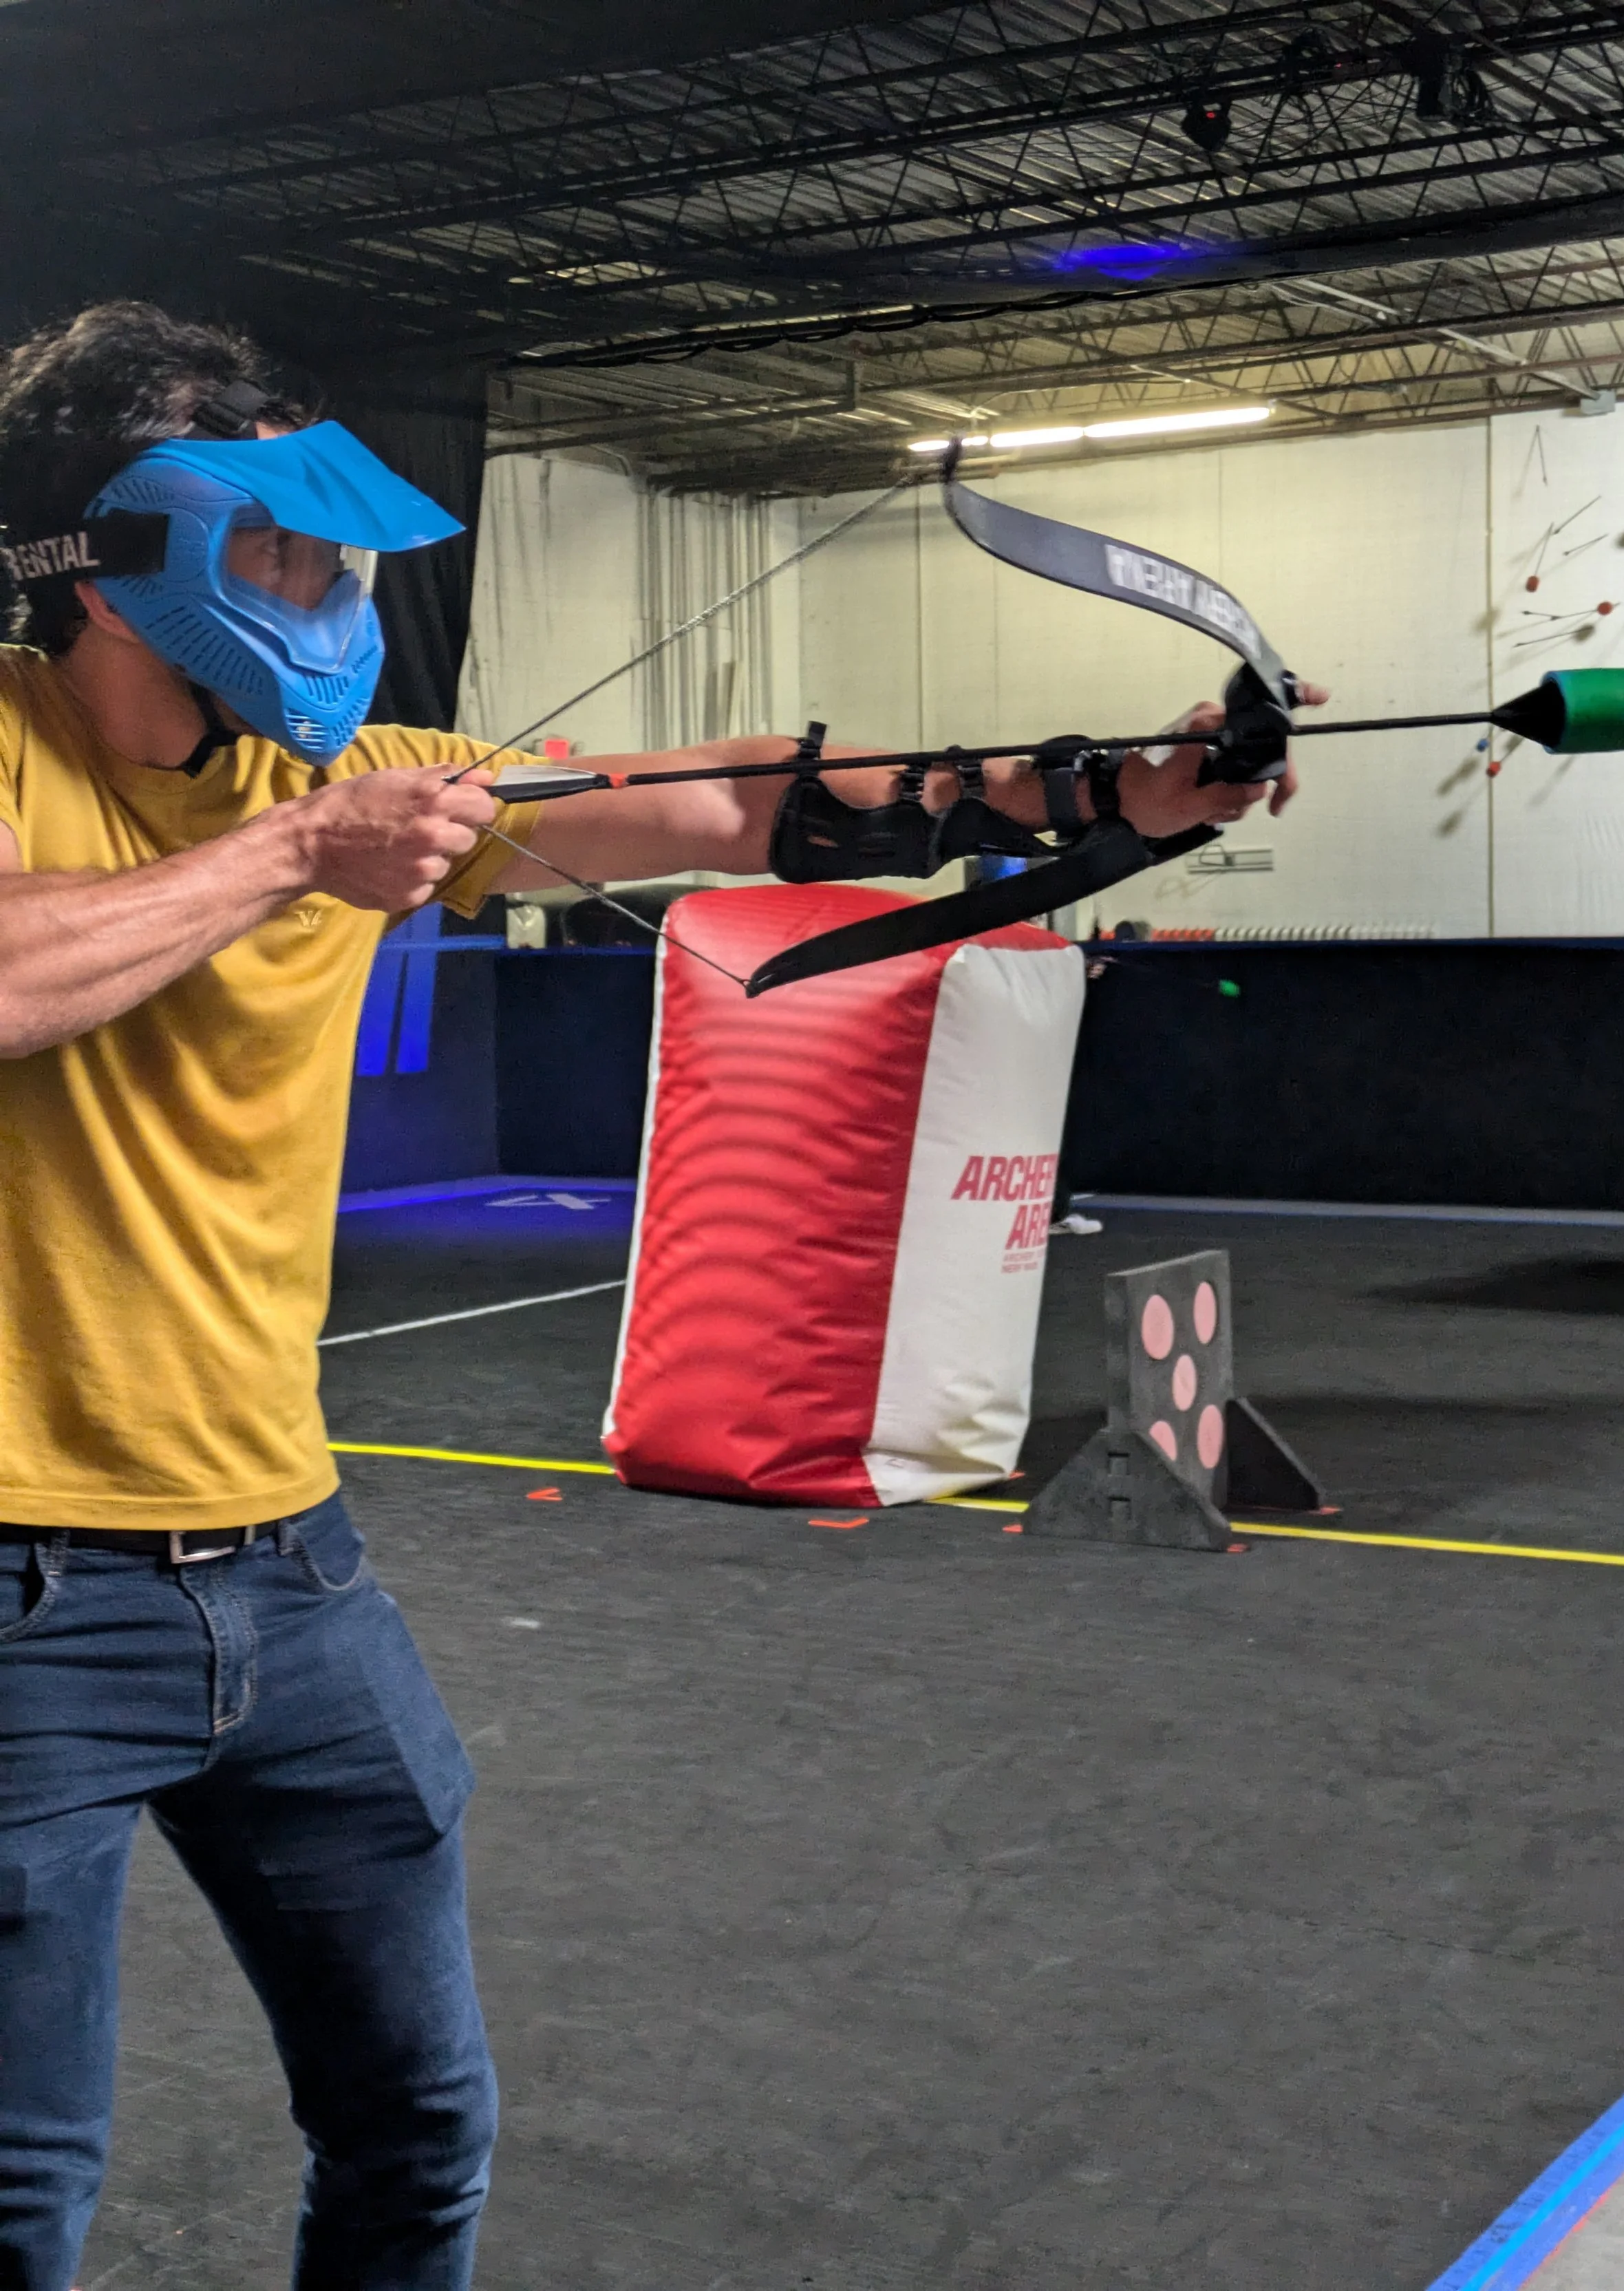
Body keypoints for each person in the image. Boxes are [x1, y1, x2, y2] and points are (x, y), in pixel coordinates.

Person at [0, 301, 1305, 2291]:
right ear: (114, 554)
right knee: (21, 2203)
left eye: (329, 551)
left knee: (420, 2128)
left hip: (289, 1566)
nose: (324, 592)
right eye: (275, 547)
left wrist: (1096, 796)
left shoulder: (376, 779)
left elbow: (706, 803)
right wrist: (290, 856)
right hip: (24, 1598)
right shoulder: (93, 774)